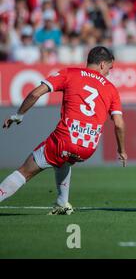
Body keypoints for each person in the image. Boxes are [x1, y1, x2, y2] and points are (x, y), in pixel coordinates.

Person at [0, 46, 127, 215]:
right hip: (88, 147)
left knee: (25, 171)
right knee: (63, 159)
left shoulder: (70, 73)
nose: (109, 73)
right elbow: (119, 124)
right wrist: (122, 150)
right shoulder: (112, 89)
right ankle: (62, 203)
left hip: (65, 140)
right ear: (103, 65)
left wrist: (18, 115)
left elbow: (35, 94)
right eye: (110, 68)